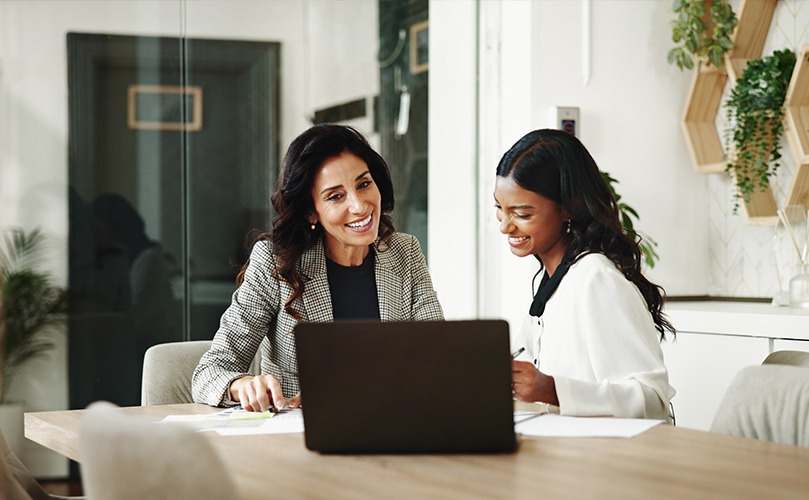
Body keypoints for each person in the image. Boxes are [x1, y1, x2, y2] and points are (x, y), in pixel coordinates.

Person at [192, 124, 444, 412]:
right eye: (336, 196)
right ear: (311, 211)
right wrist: (243, 385)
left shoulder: (404, 252)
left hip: (390, 430)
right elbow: (210, 371)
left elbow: (435, 359)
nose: (360, 207)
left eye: (363, 184)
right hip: (299, 442)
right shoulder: (274, 263)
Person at [494, 129, 675, 420]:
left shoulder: (596, 279)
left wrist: (551, 389)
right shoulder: (549, 282)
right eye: (500, 209)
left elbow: (652, 400)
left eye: (523, 214)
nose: (505, 226)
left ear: (569, 207)